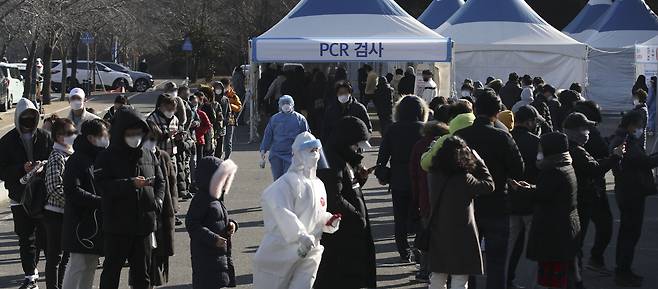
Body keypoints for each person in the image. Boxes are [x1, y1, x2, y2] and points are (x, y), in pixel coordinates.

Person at [454, 88, 524, 289]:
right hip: (497, 205)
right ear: (497, 112)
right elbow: (519, 170)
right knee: (496, 262)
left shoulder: (460, 136)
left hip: (466, 205)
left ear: (475, 110)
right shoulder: (503, 137)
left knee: (468, 261)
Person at [253, 132, 341, 289]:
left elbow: (316, 214)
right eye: (310, 150)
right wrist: (300, 235)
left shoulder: (318, 184)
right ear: (298, 153)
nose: (314, 154)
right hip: (282, 252)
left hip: (310, 251)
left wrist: (328, 221)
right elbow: (280, 210)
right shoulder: (287, 183)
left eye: (316, 150)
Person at [96, 108, 165, 289]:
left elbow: (160, 182)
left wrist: (157, 202)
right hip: (117, 226)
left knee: (142, 275)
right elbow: (102, 186)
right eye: (130, 133)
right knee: (111, 272)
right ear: (120, 133)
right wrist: (129, 184)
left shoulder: (148, 154)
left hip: (143, 225)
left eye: (139, 133)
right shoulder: (106, 157)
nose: (135, 137)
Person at [315, 116, 377, 289]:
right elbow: (334, 198)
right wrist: (358, 218)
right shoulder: (331, 162)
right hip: (342, 237)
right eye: (356, 145)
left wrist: (359, 179)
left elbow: (347, 190)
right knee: (340, 278)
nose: (359, 151)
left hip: (350, 233)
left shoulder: (343, 159)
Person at [564, 112, 624, 288]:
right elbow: (594, 169)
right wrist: (615, 156)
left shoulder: (568, 147)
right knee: (576, 245)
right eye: (585, 128)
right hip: (581, 200)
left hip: (576, 200)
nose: (588, 132)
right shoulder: (576, 150)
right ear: (576, 131)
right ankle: (575, 280)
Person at [427, 136, 495, 289]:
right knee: (459, 277)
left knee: (438, 275)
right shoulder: (464, 178)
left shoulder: (433, 174)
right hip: (463, 232)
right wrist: (480, 162)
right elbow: (489, 185)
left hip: (439, 229)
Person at [0, 98, 53, 289]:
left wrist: (42, 167)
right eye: (25, 117)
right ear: (17, 118)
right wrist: (20, 168)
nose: (29, 120)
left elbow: (55, 161)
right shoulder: (6, 141)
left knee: (46, 235)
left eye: (33, 116)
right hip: (19, 196)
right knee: (25, 237)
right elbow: (2, 169)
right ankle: (30, 275)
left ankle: (52, 272)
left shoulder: (45, 137)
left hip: (43, 195)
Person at [519, 132, 581, 289]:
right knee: (560, 273)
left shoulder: (553, 171)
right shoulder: (565, 165)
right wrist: (531, 188)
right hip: (564, 227)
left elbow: (543, 195)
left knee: (552, 275)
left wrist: (523, 190)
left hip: (553, 230)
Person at [608, 110, 658, 287]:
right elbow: (643, 162)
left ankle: (623, 269)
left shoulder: (622, 138)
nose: (640, 129)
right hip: (632, 193)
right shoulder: (625, 141)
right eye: (638, 126)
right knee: (630, 233)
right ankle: (623, 270)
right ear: (630, 125)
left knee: (627, 233)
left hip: (627, 191)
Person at [376, 96, 428, 263]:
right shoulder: (425, 129)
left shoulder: (393, 129)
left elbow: (382, 156)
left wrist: (382, 174)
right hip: (421, 179)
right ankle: (419, 248)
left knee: (399, 218)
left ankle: (404, 252)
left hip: (398, 179)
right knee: (421, 216)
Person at [61, 119, 109, 289]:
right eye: (103, 135)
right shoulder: (77, 160)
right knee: (78, 265)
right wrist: (101, 202)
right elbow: (72, 191)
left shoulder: (98, 157)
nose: (106, 138)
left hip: (94, 222)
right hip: (79, 223)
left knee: (89, 265)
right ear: (90, 137)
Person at [573, 100, 614, 274]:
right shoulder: (590, 132)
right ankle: (592, 261)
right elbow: (603, 152)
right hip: (593, 188)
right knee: (604, 225)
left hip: (577, 188)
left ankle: (577, 269)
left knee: (579, 232)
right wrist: (615, 154)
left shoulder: (570, 127)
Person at [186, 157, 239, 289]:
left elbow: (220, 218)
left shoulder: (215, 198)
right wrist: (213, 238)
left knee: (220, 282)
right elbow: (192, 224)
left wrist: (231, 224)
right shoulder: (202, 199)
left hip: (220, 255)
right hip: (206, 257)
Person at [507, 105, 542, 289]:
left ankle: (504, 280)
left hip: (509, 201)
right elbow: (541, 168)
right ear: (529, 122)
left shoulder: (506, 139)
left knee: (510, 245)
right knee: (532, 247)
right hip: (531, 200)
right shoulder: (537, 142)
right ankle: (528, 283)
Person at [409, 121, 449, 282]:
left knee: (426, 234)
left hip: (424, 195)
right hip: (443, 197)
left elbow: (413, 173)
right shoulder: (447, 145)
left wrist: (415, 198)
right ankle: (439, 270)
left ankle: (424, 270)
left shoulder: (419, 145)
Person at [141, 122, 177, 287]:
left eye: (154, 139)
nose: (151, 142)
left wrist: (173, 207)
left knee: (160, 253)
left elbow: (172, 183)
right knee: (144, 258)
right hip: (145, 214)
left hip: (163, 210)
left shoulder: (163, 156)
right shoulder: (137, 156)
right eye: (148, 138)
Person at [42, 117, 76, 289]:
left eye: (73, 132)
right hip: (55, 213)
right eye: (67, 134)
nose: (71, 136)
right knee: (55, 257)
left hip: (67, 213)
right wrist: (72, 203)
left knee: (66, 257)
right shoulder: (57, 156)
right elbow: (54, 188)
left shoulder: (71, 154)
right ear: (57, 136)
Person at [259, 95, 309, 180]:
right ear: (280, 105)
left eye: (288, 103)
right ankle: (279, 193)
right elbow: (268, 135)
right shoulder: (274, 119)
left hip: (292, 154)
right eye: (283, 103)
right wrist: (263, 150)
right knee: (278, 179)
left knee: (289, 179)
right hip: (276, 154)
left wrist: (307, 151)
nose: (286, 105)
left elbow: (306, 136)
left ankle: (289, 193)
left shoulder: (300, 119)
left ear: (292, 104)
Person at [220, 78, 242, 160]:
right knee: (219, 140)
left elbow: (239, 107)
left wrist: (230, 104)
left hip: (230, 119)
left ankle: (227, 158)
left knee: (228, 141)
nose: (225, 87)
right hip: (219, 119)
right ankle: (219, 157)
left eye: (226, 86)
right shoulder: (217, 93)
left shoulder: (233, 95)